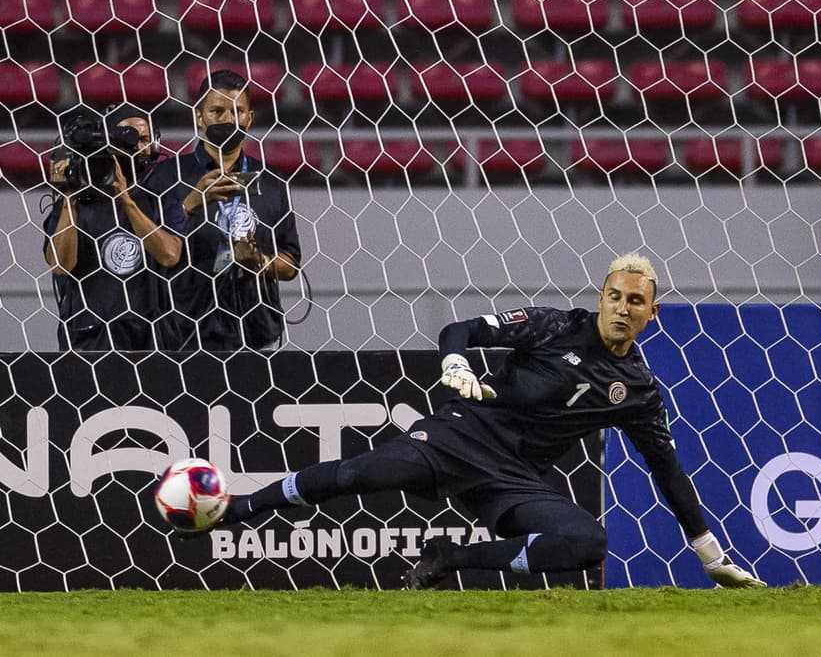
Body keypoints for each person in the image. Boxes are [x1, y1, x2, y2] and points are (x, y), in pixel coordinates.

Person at [207, 253, 765, 590]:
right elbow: (461, 329)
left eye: (635, 301)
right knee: (363, 476)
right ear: (600, 298)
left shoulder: (639, 393)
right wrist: (455, 361)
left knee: (587, 542)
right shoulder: (553, 325)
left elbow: (668, 472)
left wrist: (709, 555)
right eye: (614, 295)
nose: (622, 307)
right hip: (460, 434)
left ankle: (450, 560)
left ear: (651, 313)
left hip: (512, 478)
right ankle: (242, 508)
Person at [150, 70, 300, 351]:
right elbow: (150, 251)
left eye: (237, 111)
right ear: (199, 116)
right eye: (217, 111)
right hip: (183, 333)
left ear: (249, 118)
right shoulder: (166, 176)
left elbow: (291, 263)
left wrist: (258, 261)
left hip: (255, 334)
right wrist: (190, 203)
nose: (228, 119)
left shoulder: (270, 181)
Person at [42, 104, 184, 351]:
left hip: (151, 338)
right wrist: (68, 199)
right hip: (89, 337)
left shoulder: (161, 200)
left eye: (144, 139)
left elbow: (170, 255)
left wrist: (125, 199)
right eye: (128, 139)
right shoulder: (77, 201)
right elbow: (60, 265)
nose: (137, 147)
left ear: (156, 145)